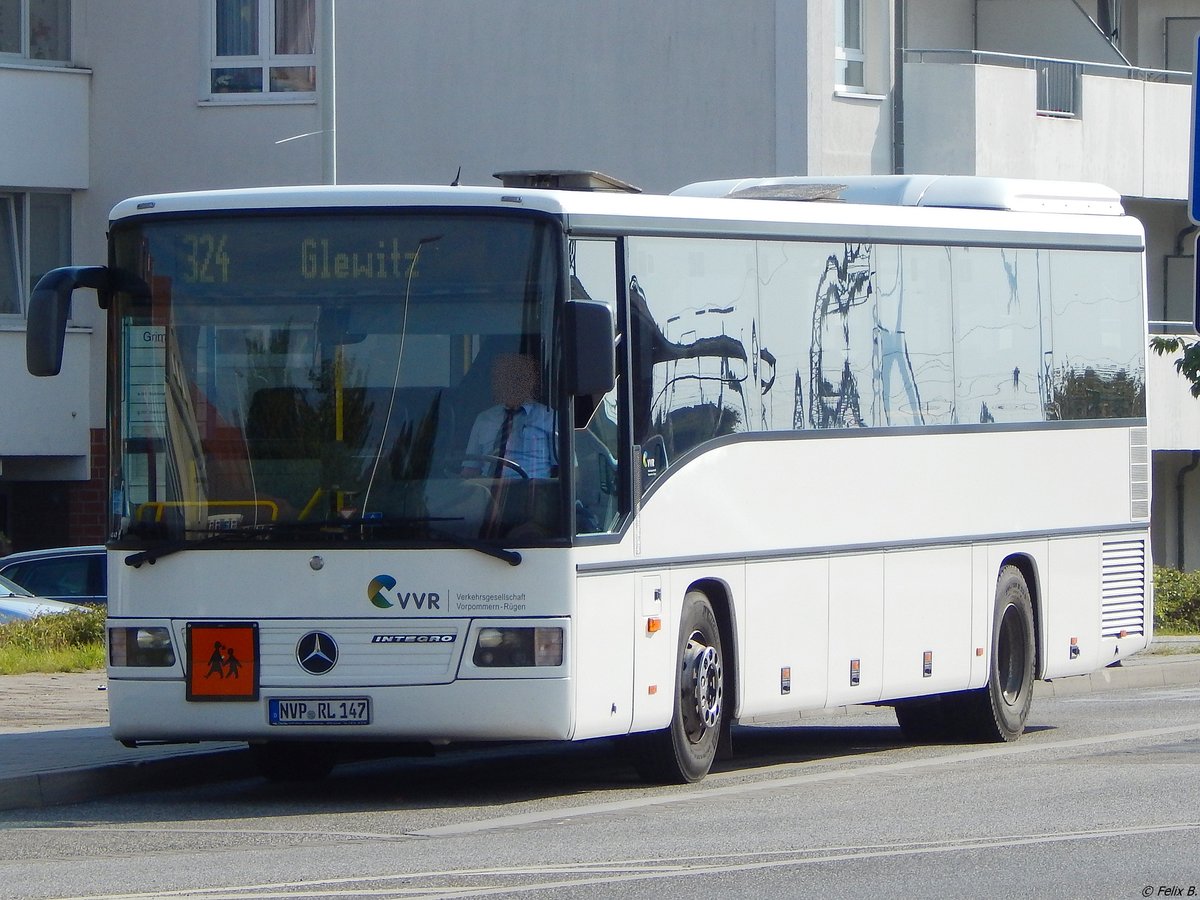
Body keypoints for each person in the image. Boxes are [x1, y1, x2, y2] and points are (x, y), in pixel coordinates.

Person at [462, 353, 558, 479]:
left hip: (532, 489)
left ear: (530, 382)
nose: (511, 384)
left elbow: (570, 471)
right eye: (505, 378)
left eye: (517, 378)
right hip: (488, 488)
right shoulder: (484, 418)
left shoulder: (549, 417)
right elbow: (470, 470)